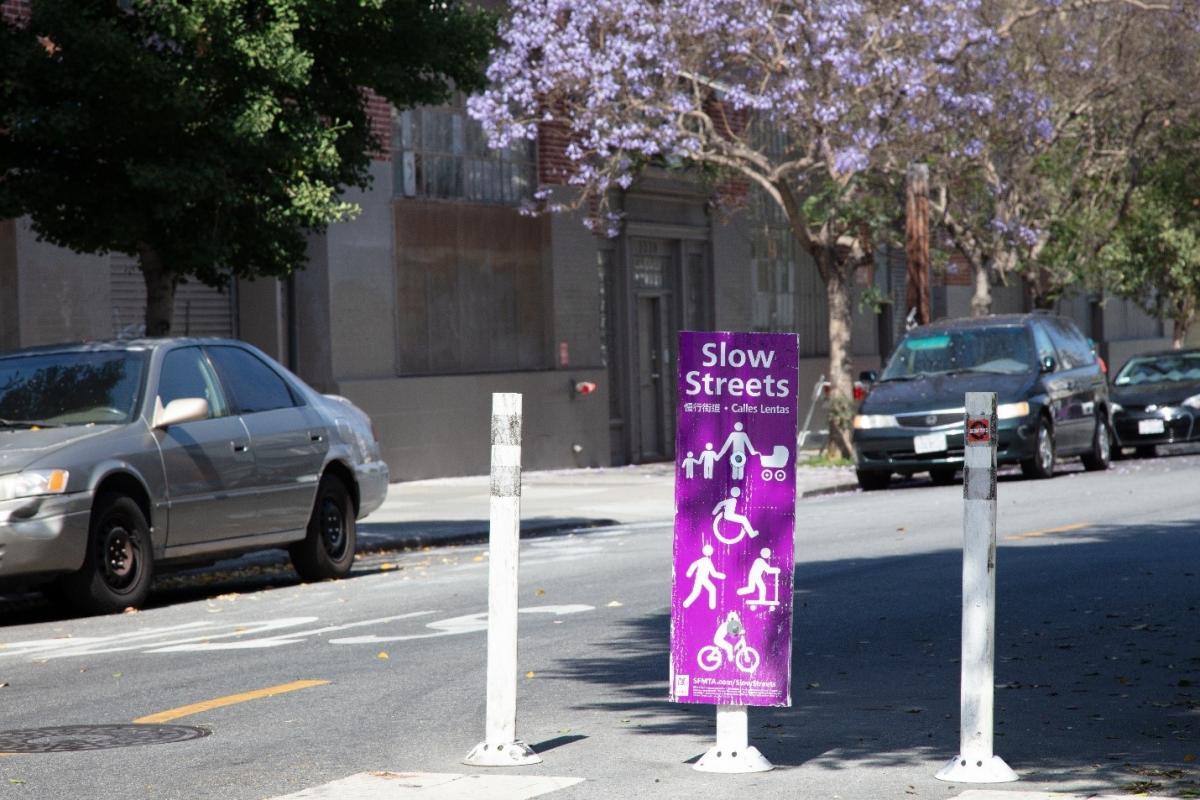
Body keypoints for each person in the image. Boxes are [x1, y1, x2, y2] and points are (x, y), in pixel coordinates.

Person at [682, 544, 725, 609]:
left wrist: (689, 573)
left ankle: (686, 604)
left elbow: (713, 573)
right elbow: (713, 573)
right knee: (710, 589)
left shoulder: (705, 560)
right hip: (701, 578)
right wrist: (722, 576)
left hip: (702, 578)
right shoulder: (706, 561)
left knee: (700, 591)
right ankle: (686, 604)